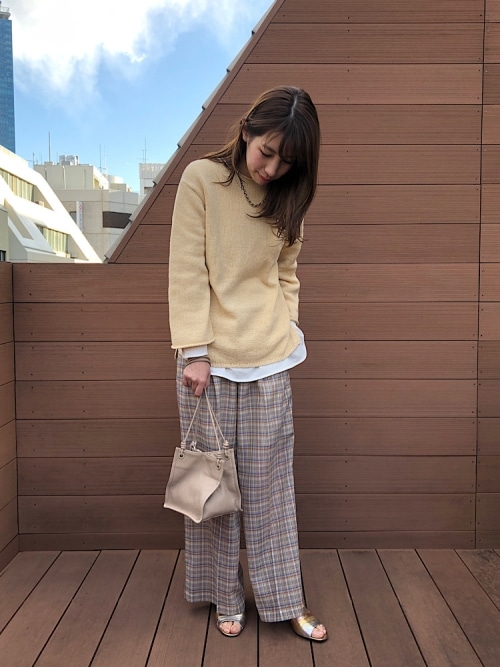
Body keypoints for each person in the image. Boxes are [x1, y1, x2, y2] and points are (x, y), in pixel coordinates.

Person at [168, 86, 327, 642]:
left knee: (271, 490)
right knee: (213, 492)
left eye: (287, 161)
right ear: (247, 131)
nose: (273, 168)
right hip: (207, 364)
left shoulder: (289, 196)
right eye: (268, 152)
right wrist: (194, 351)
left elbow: (287, 272)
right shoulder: (201, 179)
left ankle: (286, 599)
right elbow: (187, 267)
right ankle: (224, 596)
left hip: (269, 359)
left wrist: (287, 327)